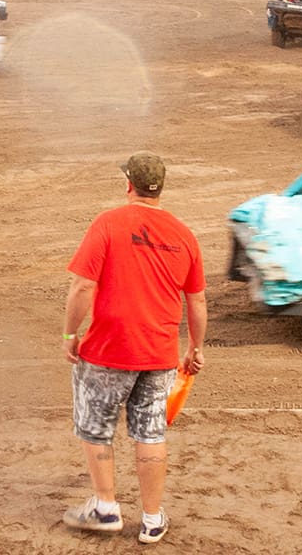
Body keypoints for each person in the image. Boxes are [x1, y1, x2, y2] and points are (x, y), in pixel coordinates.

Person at [61, 153, 205, 543]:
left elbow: (82, 286)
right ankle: (153, 519)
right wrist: (194, 348)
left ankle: (106, 508)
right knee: (150, 433)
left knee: (96, 429)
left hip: (108, 348)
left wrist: (69, 335)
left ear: (129, 184)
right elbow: (197, 300)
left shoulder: (108, 223)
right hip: (158, 355)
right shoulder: (184, 234)